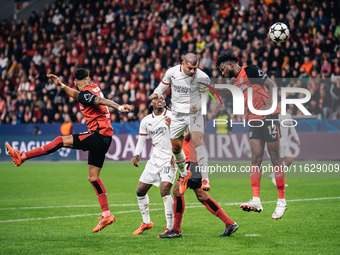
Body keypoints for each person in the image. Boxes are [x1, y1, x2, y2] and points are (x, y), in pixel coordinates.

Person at [5, 69, 133, 232]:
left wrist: (119, 107)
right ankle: (106, 214)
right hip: (105, 137)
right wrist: (61, 85)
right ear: (86, 79)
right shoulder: (91, 87)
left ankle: (22, 156)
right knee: (93, 178)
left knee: (59, 140)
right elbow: (78, 95)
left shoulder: (86, 92)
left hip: (97, 134)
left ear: (77, 82)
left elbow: (99, 100)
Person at [216, 51, 287, 220]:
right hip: (253, 120)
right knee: (255, 159)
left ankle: (281, 201)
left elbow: (272, 86)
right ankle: (256, 200)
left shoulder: (251, 70)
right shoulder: (236, 82)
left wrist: (269, 106)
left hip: (269, 117)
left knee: (275, 158)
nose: (222, 72)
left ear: (231, 64)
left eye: (222, 68)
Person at [149, 53, 211, 193]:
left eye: (195, 68)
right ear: (183, 64)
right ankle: (184, 174)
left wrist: (199, 107)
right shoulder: (172, 72)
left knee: (198, 140)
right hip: (177, 115)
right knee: (176, 149)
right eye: (190, 68)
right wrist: (156, 93)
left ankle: (205, 178)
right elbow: (162, 87)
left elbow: (206, 99)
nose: (192, 71)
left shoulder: (203, 78)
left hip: (194, 114)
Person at [159, 129, 238, 238]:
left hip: (192, 161)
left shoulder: (190, 120)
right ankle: (229, 223)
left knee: (177, 191)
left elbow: (185, 135)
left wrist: (170, 127)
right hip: (191, 160)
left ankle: (176, 229)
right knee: (202, 196)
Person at [132, 96, 176, 236]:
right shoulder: (146, 121)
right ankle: (146, 222)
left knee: (164, 190)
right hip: (154, 160)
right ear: (151, 103)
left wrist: (176, 154)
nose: (161, 101)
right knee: (140, 191)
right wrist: (137, 154)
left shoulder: (171, 116)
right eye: (158, 99)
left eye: (163, 99)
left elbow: (181, 134)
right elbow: (142, 139)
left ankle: (170, 227)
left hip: (169, 159)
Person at [269, 104, 300, 187]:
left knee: (289, 161)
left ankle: (273, 175)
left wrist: (297, 138)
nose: (280, 105)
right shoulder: (275, 116)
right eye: (279, 103)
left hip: (285, 142)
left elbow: (291, 128)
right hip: (277, 142)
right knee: (278, 162)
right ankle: (276, 180)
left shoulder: (288, 115)